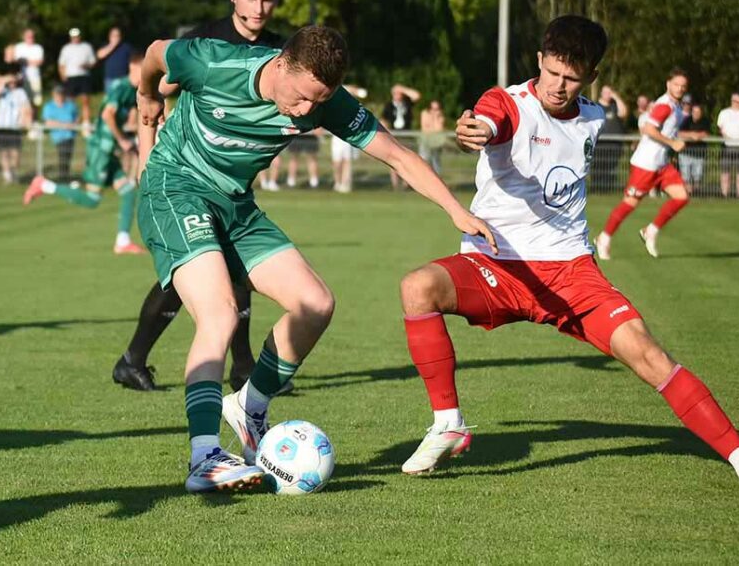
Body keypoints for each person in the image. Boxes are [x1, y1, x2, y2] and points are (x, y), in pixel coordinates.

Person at [398, 15, 739, 495]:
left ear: (592, 78)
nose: (558, 86)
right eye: (552, 72)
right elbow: (487, 121)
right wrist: (472, 131)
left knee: (648, 354)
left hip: (570, 273)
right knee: (418, 287)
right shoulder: (508, 103)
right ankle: (448, 423)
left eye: (572, 78)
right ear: (539, 61)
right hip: (495, 262)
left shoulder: (594, 117)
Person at [135, 26, 495, 493]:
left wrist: (455, 210)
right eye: (303, 98)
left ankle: (249, 408)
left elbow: (399, 157)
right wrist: (147, 96)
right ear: (281, 63)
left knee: (315, 303)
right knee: (220, 313)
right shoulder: (213, 62)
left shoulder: (326, 103)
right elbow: (155, 53)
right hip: (175, 189)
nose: (306, 112)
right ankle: (204, 455)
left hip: (236, 205)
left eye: (317, 102)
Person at [112, 0, 289, 394]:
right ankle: (234, 367)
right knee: (201, 277)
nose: (258, 8)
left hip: (230, 186)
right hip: (182, 179)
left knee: (224, 276)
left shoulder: (281, 54)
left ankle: (140, 360)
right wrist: (146, 156)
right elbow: (153, 93)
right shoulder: (205, 41)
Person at [22, 52, 146, 256]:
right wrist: (123, 140)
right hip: (100, 149)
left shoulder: (133, 90)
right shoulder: (122, 87)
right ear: (135, 67)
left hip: (108, 149)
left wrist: (129, 140)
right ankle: (44, 185)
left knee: (128, 191)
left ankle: (122, 241)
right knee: (92, 199)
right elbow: (107, 115)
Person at [595, 68, 691, 260]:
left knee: (681, 196)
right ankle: (603, 238)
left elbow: (666, 130)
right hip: (646, 164)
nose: (680, 88)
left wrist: (673, 143)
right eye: (676, 84)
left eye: (683, 86)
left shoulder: (677, 106)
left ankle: (651, 231)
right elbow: (648, 129)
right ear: (668, 84)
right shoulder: (665, 106)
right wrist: (673, 143)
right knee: (630, 203)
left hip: (661, 164)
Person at [0, 70, 33, 184]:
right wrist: (6, 79)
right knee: (4, 153)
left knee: (15, 153)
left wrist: (26, 121)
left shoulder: (21, 92)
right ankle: (7, 176)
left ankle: (13, 171)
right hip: (2, 127)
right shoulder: (3, 90)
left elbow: (26, 108)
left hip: (15, 127)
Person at [382, 84, 421, 189]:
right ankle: (395, 185)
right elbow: (384, 119)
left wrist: (403, 89)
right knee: (394, 161)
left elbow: (417, 96)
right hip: (395, 135)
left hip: (406, 135)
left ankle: (406, 184)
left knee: (407, 160)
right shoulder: (389, 105)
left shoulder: (407, 104)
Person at [57, 28, 96, 132]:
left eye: (77, 36)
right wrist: (63, 76)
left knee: (85, 100)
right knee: (70, 101)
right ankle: (72, 122)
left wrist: (86, 65)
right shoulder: (66, 48)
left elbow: (92, 62)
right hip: (71, 77)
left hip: (84, 76)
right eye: (73, 36)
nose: (75, 38)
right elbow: (61, 64)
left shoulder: (86, 47)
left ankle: (86, 124)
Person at [41, 85, 80, 181]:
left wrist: (73, 124)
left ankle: (65, 176)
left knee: (68, 156)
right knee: (63, 155)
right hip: (58, 136)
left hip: (70, 135)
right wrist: (63, 125)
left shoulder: (70, 105)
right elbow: (48, 121)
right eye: (57, 94)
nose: (60, 96)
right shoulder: (49, 106)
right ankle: (63, 177)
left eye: (61, 94)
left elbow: (77, 117)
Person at [594, 85, 628, 192]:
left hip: (615, 144)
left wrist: (617, 98)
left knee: (611, 168)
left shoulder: (615, 106)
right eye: (606, 92)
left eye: (610, 92)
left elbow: (623, 114)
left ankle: (607, 190)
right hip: (599, 144)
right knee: (598, 168)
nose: (608, 95)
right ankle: (596, 190)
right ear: (601, 93)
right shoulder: (596, 106)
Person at [716, 94, 739, 198]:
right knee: (725, 172)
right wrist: (726, 137)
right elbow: (720, 127)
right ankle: (724, 194)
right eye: (734, 100)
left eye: (738, 101)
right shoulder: (724, 112)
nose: (736, 102)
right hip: (727, 146)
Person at [5, 28, 45, 106]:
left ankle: (34, 117)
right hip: (21, 78)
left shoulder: (38, 48)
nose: (30, 38)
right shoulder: (19, 47)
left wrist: (26, 61)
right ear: (24, 37)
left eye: (32, 36)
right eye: (28, 36)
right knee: (23, 100)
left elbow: (39, 62)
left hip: (34, 77)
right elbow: (10, 59)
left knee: (36, 101)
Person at [677, 102, 710, 193]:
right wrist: (692, 135)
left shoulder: (705, 121)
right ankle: (688, 193)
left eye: (698, 112)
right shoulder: (686, 120)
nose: (696, 114)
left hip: (699, 154)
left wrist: (697, 136)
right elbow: (680, 133)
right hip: (686, 152)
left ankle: (696, 193)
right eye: (694, 112)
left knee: (698, 175)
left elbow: (705, 134)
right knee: (686, 175)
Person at [97, 26, 134, 92]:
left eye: (118, 35)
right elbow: (100, 55)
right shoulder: (105, 46)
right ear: (109, 36)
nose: (116, 37)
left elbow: (133, 62)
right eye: (114, 35)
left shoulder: (126, 47)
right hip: (110, 79)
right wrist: (112, 45)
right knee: (111, 100)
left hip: (124, 79)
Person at [418, 99, 446, 174]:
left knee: (436, 162)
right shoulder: (424, 113)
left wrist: (435, 118)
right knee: (424, 161)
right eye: (432, 109)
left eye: (436, 109)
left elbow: (439, 129)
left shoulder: (441, 117)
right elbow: (425, 128)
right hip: (425, 141)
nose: (434, 111)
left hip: (436, 143)